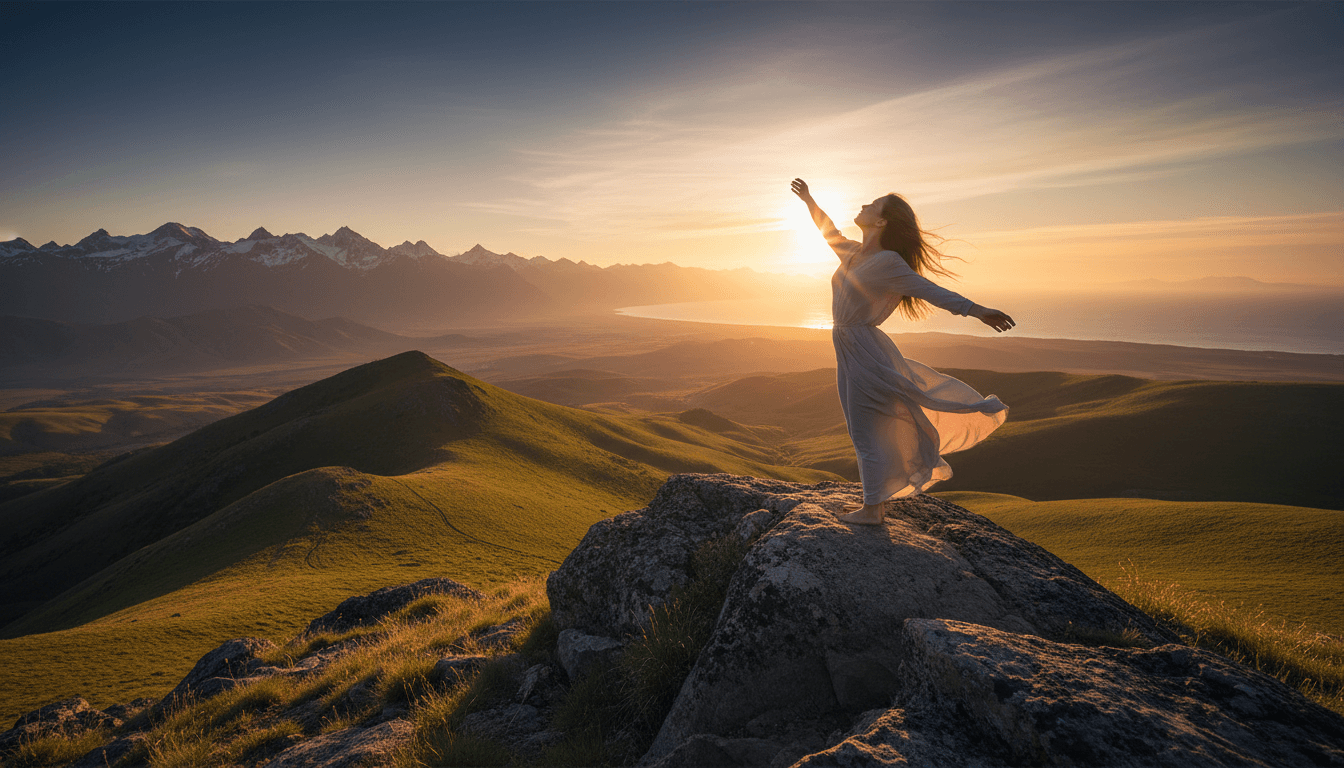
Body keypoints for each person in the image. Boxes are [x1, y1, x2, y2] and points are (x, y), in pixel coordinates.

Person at [791, 178, 1014, 525]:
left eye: (873, 205)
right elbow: (827, 230)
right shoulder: (853, 252)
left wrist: (977, 310)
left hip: (863, 348)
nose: (864, 205)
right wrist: (808, 200)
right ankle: (875, 503)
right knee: (861, 426)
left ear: (881, 222)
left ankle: (871, 510)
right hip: (850, 347)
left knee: (865, 429)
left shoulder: (889, 263)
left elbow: (930, 290)